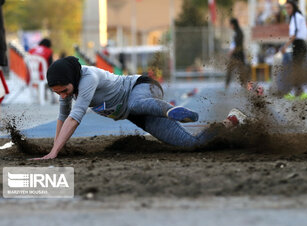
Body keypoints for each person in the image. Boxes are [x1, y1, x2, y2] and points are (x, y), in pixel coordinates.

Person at [32, 57, 247, 160]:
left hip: (142, 88)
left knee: (135, 103)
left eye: (64, 91)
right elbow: (63, 116)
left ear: (72, 79)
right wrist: (55, 148)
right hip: (137, 114)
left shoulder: (88, 78)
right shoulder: (67, 87)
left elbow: (74, 118)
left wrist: (54, 153)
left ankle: (170, 110)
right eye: (58, 93)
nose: (63, 96)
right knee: (191, 145)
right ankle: (233, 121)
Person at [280, 0, 307, 100]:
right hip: (299, 44)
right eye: (286, 8)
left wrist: (284, 46)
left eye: (289, 7)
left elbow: (293, 35)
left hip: (299, 44)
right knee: (297, 68)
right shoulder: (296, 16)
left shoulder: (296, 17)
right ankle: (301, 91)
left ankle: (301, 91)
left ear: (293, 7)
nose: (287, 10)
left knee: (297, 68)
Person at [225, 18, 248, 89]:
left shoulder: (239, 32)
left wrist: (230, 52)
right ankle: (227, 85)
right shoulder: (236, 32)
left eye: (231, 24)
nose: (230, 26)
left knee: (241, 71)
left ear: (234, 24)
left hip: (238, 55)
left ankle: (244, 85)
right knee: (231, 70)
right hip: (236, 55)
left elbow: (237, 44)